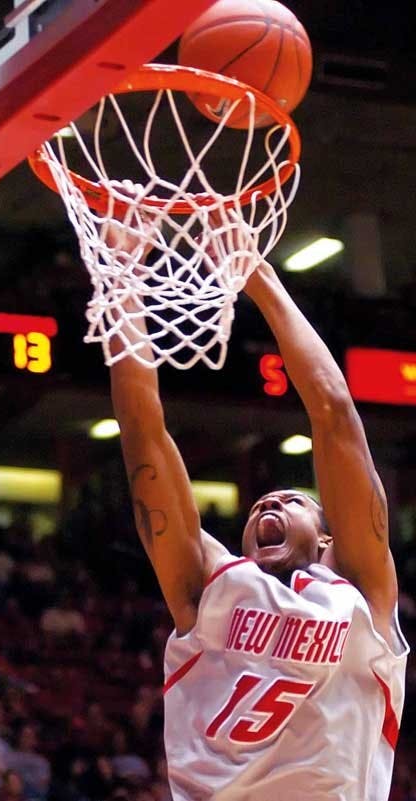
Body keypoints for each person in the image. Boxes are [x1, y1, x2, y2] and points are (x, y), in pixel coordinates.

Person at [106, 204, 408, 801]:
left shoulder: (362, 597)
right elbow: (144, 432)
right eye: (259, 504)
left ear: (328, 540)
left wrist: (258, 276)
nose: (268, 500)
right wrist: (120, 277)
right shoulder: (209, 585)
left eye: (293, 500)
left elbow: (334, 413)